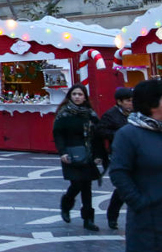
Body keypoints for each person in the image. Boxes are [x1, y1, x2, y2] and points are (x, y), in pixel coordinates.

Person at [109, 79, 162, 251]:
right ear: (153, 103)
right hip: (148, 222)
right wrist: (140, 203)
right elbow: (118, 173)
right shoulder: (129, 134)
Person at [52, 83, 105, 231]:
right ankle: (66, 204)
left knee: (87, 186)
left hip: (87, 154)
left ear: (85, 97)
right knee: (76, 184)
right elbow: (58, 134)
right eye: (74, 94)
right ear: (70, 96)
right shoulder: (64, 113)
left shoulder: (90, 113)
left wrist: (99, 155)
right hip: (70, 153)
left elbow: (97, 136)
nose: (77, 97)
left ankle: (88, 219)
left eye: (80, 94)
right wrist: (62, 152)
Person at [96, 86, 133, 229]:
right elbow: (101, 131)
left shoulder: (135, 113)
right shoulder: (111, 115)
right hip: (118, 154)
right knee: (123, 186)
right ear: (119, 101)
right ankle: (112, 215)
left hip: (134, 153)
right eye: (129, 101)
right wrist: (119, 134)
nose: (131, 103)